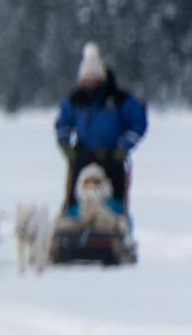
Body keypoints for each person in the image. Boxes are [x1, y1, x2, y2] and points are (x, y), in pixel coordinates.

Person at [54, 42, 147, 212]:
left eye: (94, 79)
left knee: (114, 199)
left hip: (112, 156)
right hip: (82, 155)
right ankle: (72, 221)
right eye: (87, 80)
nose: (90, 84)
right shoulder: (76, 100)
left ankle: (116, 222)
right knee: (75, 198)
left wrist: (125, 147)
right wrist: (65, 144)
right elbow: (63, 122)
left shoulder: (117, 99)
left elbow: (138, 121)